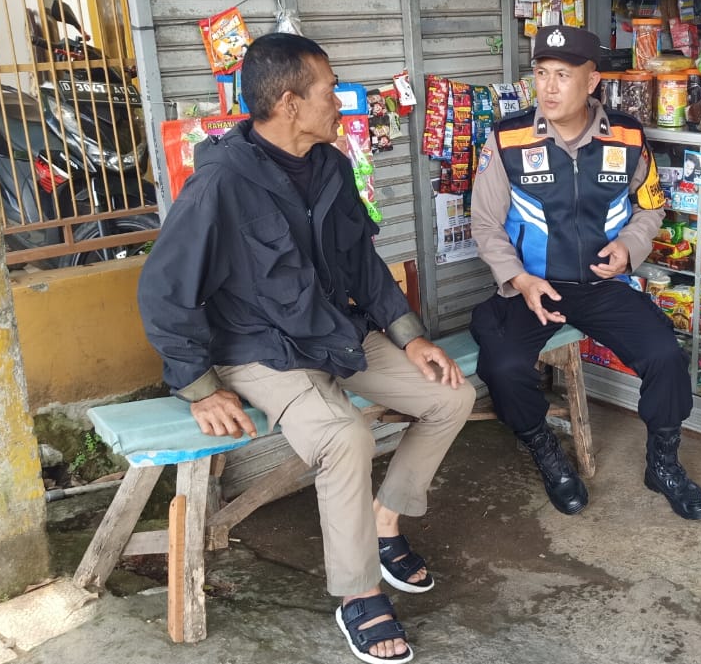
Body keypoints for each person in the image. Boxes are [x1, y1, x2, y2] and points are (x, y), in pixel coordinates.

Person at [138, 33, 476, 664]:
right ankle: (358, 595)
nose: (341, 100)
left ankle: (384, 521)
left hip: (333, 335)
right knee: (342, 436)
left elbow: (363, 263)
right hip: (257, 349)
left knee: (449, 396)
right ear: (290, 102)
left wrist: (411, 335)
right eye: (329, 89)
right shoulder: (220, 182)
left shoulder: (331, 164)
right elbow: (163, 291)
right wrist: (199, 386)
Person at [469, 25, 701, 521]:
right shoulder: (508, 139)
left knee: (665, 355)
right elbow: (485, 224)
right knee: (502, 368)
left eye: (563, 75)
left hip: (603, 285)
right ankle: (545, 449)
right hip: (534, 288)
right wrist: (519, 279)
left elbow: (651, 208)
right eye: (541, 74)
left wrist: (629, 246)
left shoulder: (625, 136)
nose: (549, 87)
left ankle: (663, 463)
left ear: (592, 81)